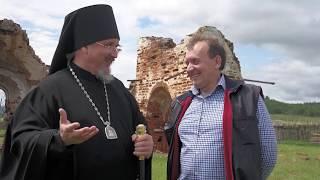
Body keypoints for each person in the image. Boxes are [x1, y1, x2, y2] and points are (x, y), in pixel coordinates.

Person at [0, 4, 154, 180]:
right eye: (109, 45)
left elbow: (141, 133)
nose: (115, 54)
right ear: (84, 46)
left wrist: (146, 146)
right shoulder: (49, 90)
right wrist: (59, 140)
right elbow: (20, 141)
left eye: (117, 46)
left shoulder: (120, 90)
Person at [165, 33, 277, 180]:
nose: (189, 69)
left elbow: (268, 155)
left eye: (195, 61)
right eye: (187, 63)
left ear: (217, 61)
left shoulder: (248, 97)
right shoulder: (181, 103)